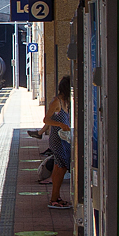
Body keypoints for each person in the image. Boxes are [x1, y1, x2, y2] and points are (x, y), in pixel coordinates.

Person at [43, 76, 72, 209]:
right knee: (61, 167)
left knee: (60, 166)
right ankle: (54, 198)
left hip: (64, 139)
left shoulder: (66, 102)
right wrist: (60, 124)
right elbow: (46, 120)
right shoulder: (57, 101)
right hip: (58, 139)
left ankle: (56, 197)